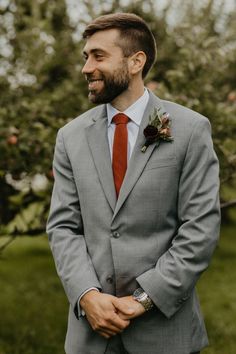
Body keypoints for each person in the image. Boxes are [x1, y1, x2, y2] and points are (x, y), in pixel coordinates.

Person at [46, 12, 221, 354]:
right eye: (86, 57)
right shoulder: (69, 137)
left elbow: (200, 228)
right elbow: (63, 227)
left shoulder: (190, 129)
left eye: (99, 56)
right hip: (91, 337)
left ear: (136, 61)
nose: (86, 67)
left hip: (166, 335)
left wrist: (143, 299)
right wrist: (87, 295)